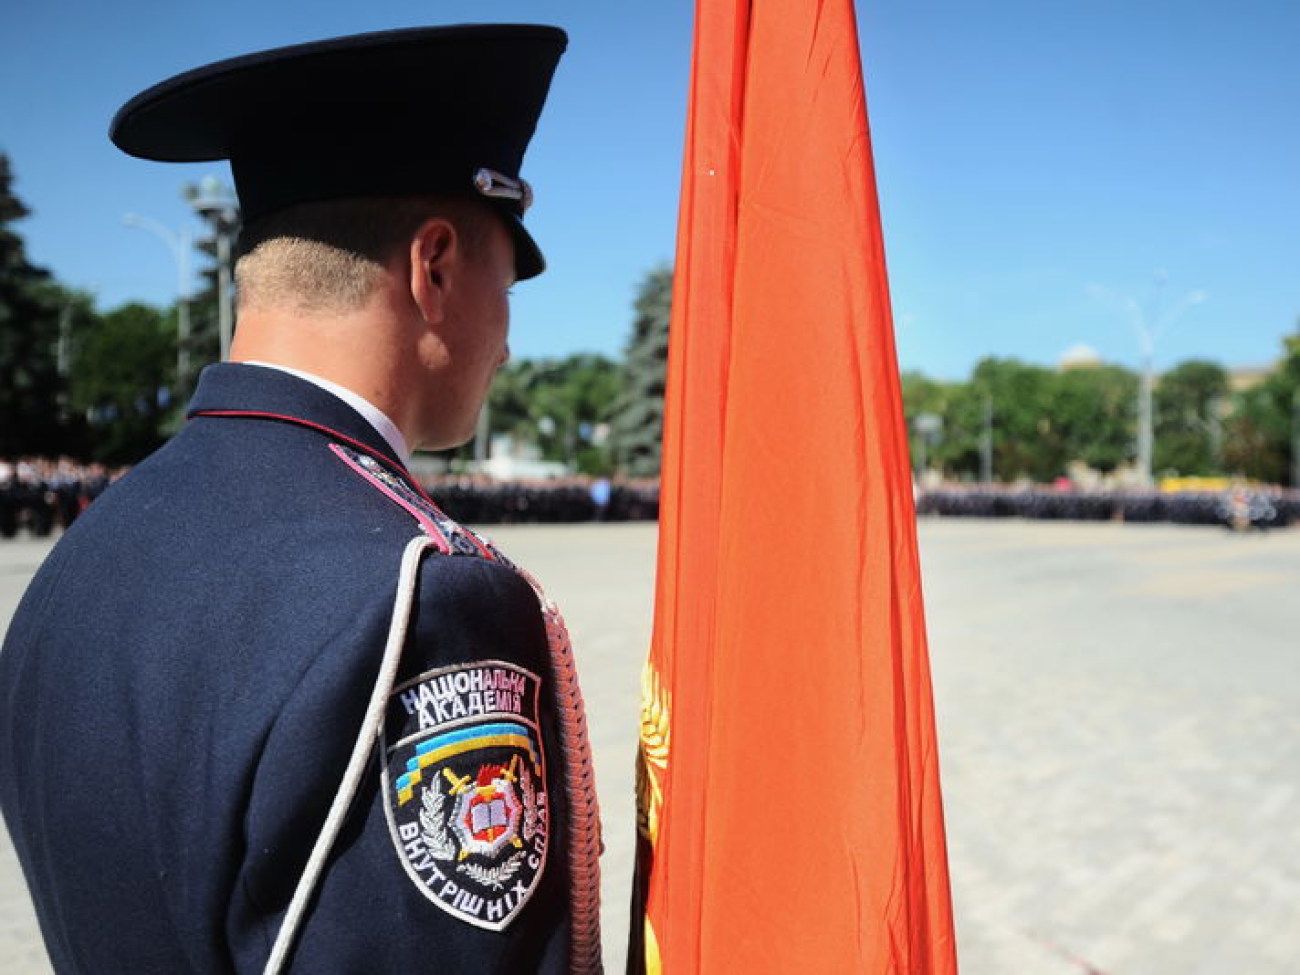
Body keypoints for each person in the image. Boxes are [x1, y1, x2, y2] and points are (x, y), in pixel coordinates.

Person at [0, 25, 602, 974]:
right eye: (507, 282)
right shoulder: (422, 596)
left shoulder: (85, 551)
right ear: (433, 266)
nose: (509, 343)